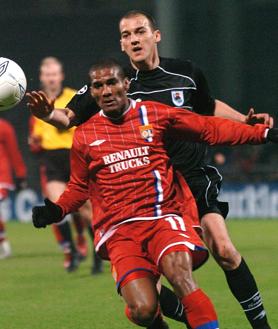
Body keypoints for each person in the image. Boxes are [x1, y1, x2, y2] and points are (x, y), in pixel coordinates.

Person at [26, 11, 273, 329]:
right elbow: (67, 118)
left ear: (156, 35)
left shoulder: (185, 74)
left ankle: (261, 325)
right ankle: (190, 317)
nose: (134, 39)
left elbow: (208, 111)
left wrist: (245, 122)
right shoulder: (111, 83)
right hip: (143, 189)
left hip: (191, 174)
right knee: (146, 301)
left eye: (140, 31)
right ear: (122, 44)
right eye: (127, 35)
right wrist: (48, 116)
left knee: (223, 249)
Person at [28, 57, 103, 273]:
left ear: (60, 76)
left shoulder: (73, 97)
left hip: (75, 157)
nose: (51, 78)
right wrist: (34, 143)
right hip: (52, 160)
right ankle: (70, 250)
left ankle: (97, 255)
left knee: (86, 211)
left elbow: (82, 123)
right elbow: (37, 135)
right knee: (55, 204)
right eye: (47, 74)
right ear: (42, 77)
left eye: (54, 74)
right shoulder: (37, 102)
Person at [0, 118, 27, 259]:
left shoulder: (4, 126)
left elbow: (13, 152)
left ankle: (4, 245)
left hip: (1, 176)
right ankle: (3, 243)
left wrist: (20, 174)